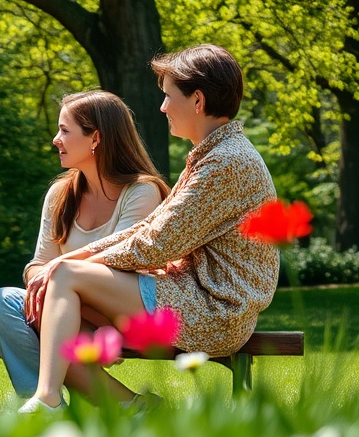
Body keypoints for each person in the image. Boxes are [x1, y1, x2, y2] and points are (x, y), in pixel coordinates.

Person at [19, 44, 281, 413]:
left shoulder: (225, 162)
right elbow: (150, 231)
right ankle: (133, 408)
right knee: (54, 293)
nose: (161, 107)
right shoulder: (213, 155)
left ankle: (47, 400)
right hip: (194, 296)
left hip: (217, 312)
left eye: (168, 96)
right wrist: (61, 265)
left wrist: (64, 264)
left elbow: (154, 246)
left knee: (63, 277)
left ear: (198, 101)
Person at [0, 90, 168, 398]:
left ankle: (96, 403)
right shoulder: (60, 195)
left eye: (65, 130)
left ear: (95, 138)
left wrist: (59, 286)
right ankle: (46, 400)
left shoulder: (142, 192)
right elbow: (38, 265)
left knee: (61, 288)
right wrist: (45, 286)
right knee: (1, 302)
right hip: (67, 311)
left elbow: (121, 264)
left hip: (124, 314)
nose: (56, 139)